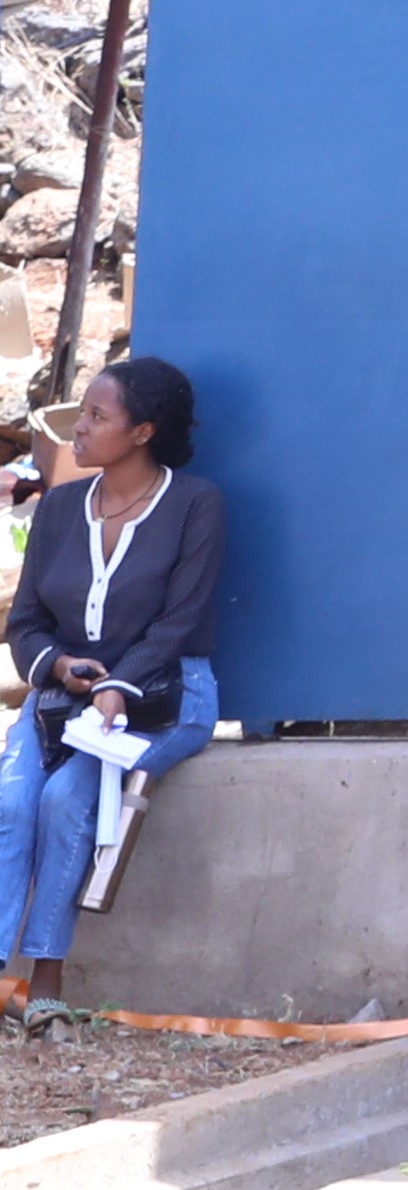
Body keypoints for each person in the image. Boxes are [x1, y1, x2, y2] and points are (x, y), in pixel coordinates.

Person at [2, 355, 220, 1006]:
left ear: (143, 432)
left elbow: (179, 622)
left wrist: (118, 686)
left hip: (163, 697)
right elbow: (26, 622)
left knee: (67, 798)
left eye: (98, 417)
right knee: (10, 803)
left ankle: (46, 986)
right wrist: (63, 669)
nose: (80, 429)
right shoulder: (61, 507)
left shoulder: (194, 505)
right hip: (61, 701)